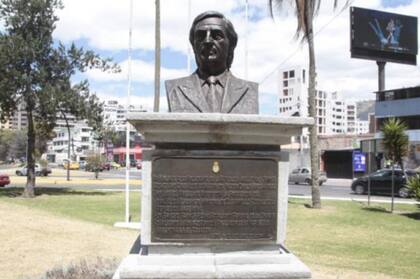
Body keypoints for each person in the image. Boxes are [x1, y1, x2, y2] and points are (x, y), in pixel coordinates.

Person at [165, 11, 258, 114]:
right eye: (200, 36)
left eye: (217, 36)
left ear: (231, 45)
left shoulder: (249, 90)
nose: (207, 41)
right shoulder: (175, 89)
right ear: (193, 46)